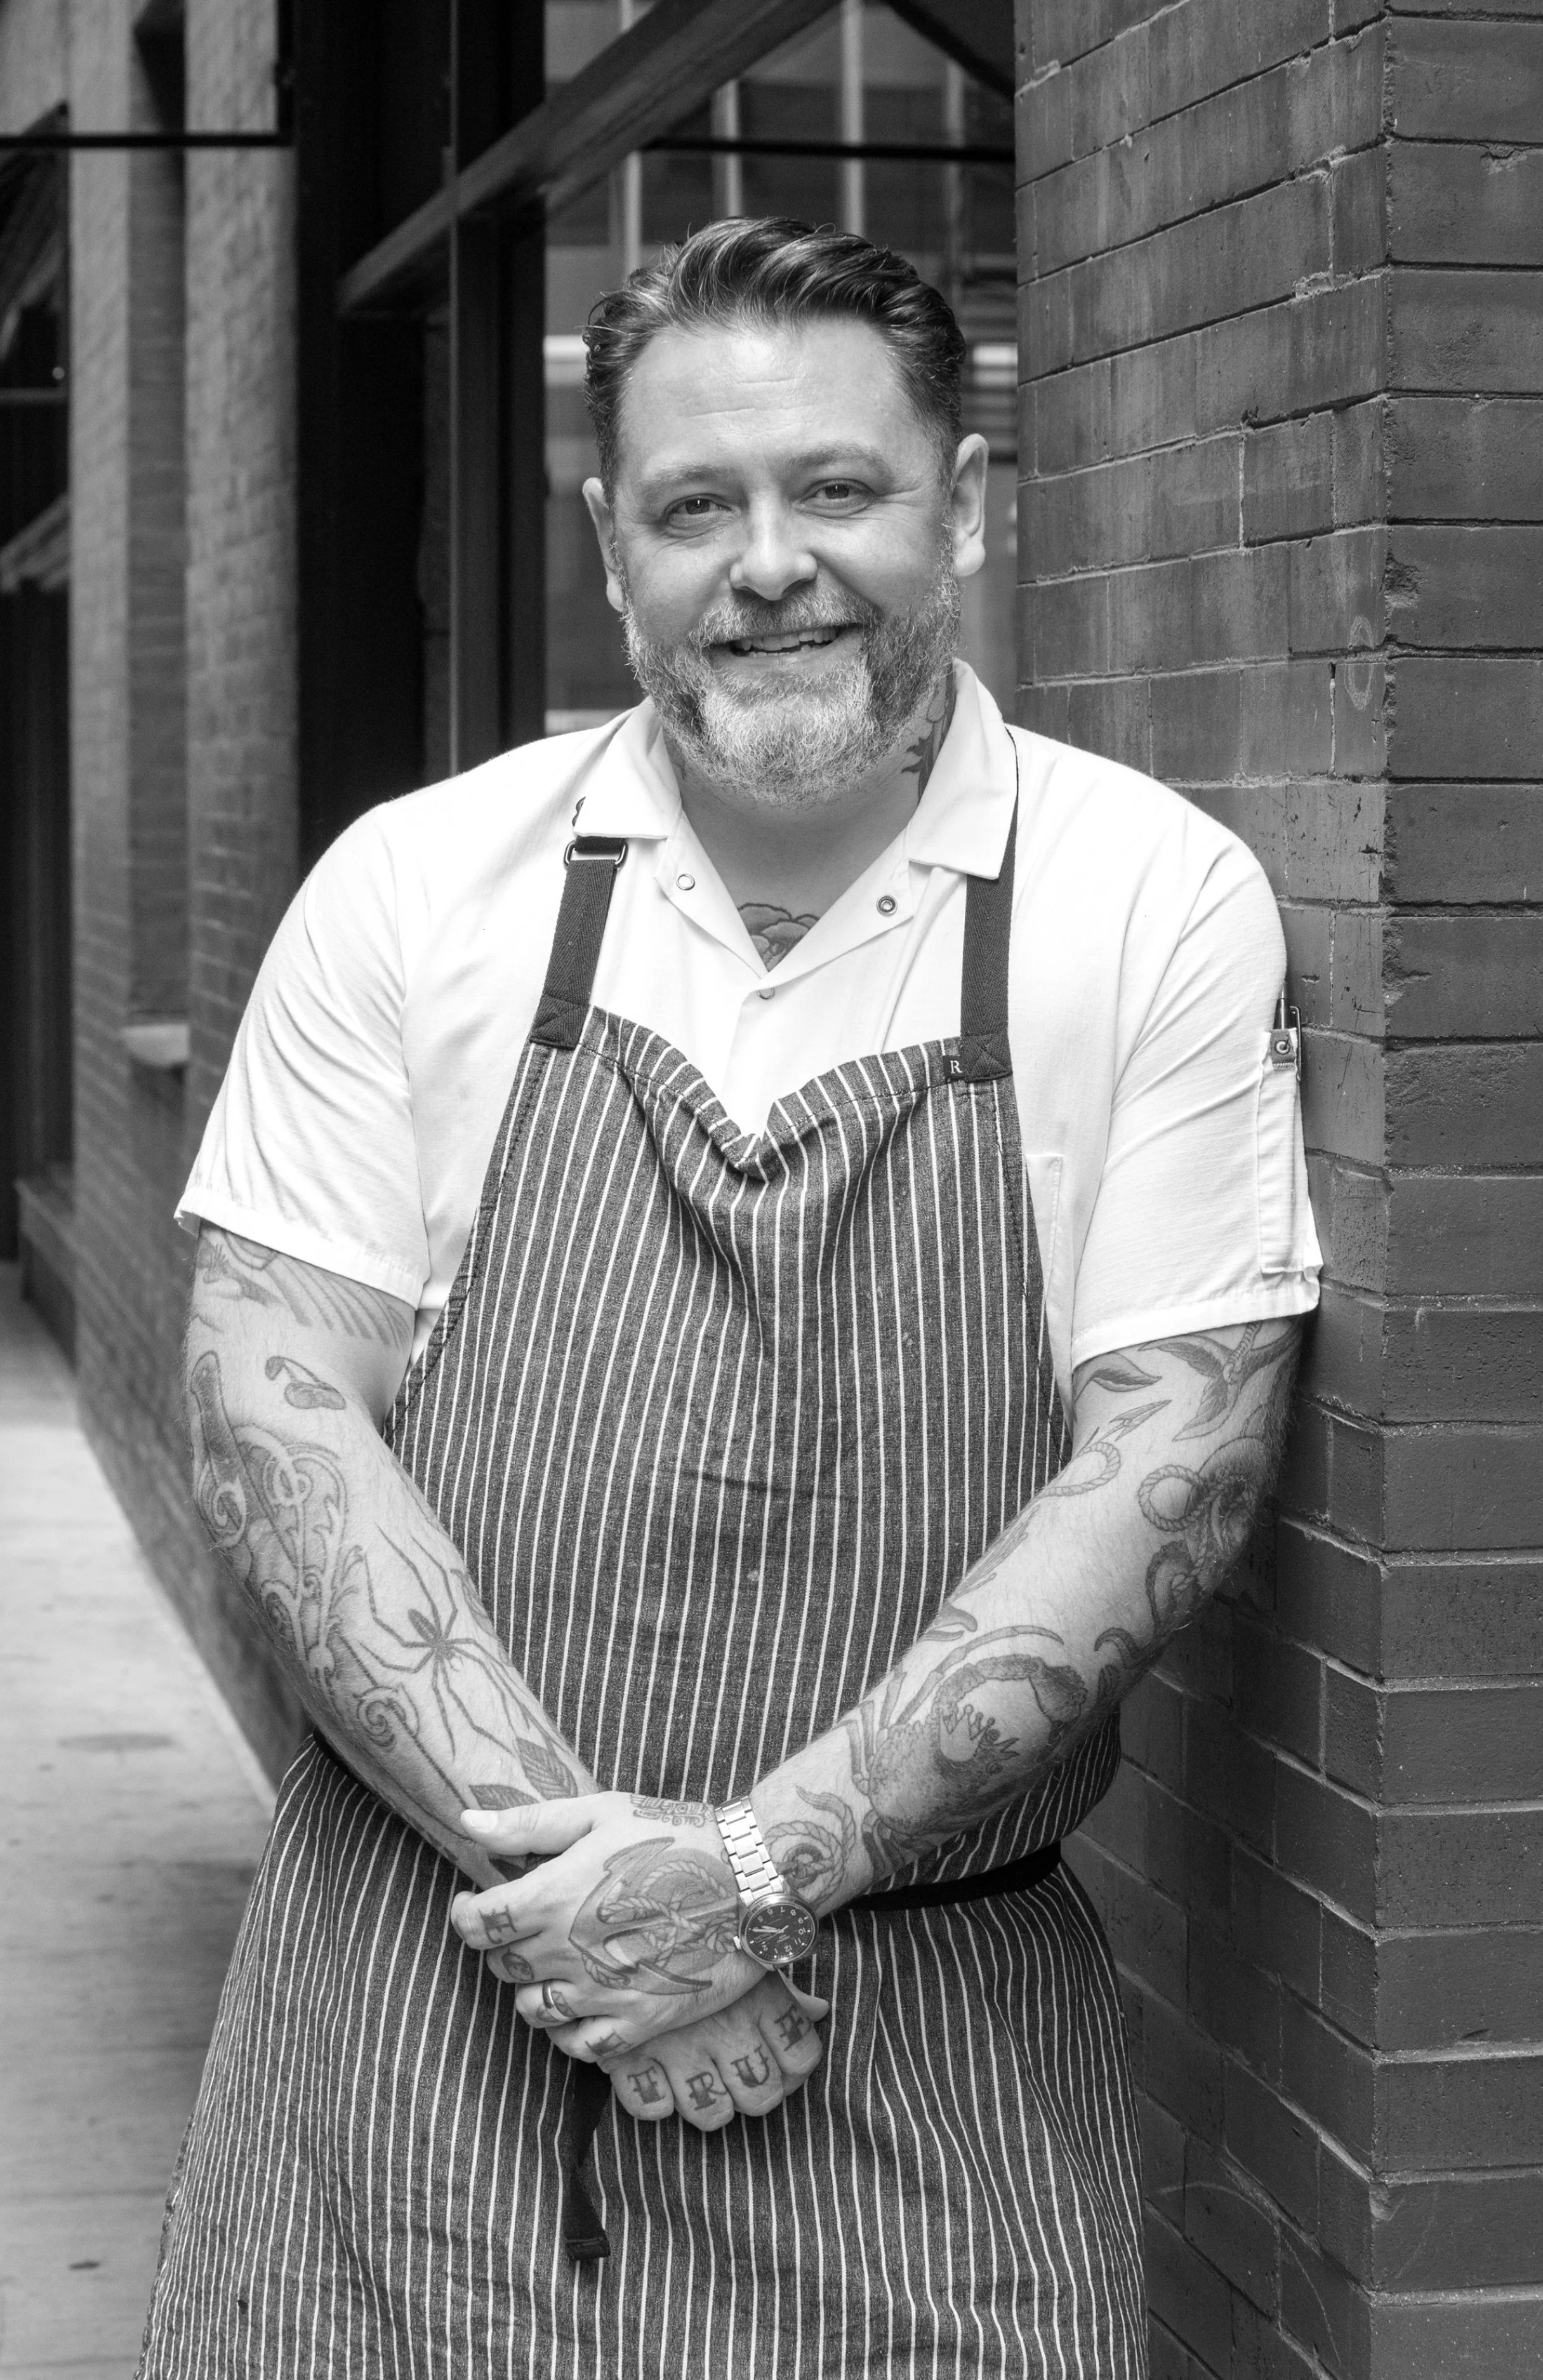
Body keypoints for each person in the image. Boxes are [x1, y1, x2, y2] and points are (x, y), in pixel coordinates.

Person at [139, 217, 1319, 2378]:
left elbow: (1179, 1446)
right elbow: (272, 1400)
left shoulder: (1148, 900)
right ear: (614, 549)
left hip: (926, 2047)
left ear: (964, 506)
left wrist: (758, 1875)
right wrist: (613, 1920)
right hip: (425, 2010)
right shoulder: (423, 885)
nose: (767, 561)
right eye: (698, 506)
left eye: (838, 490)